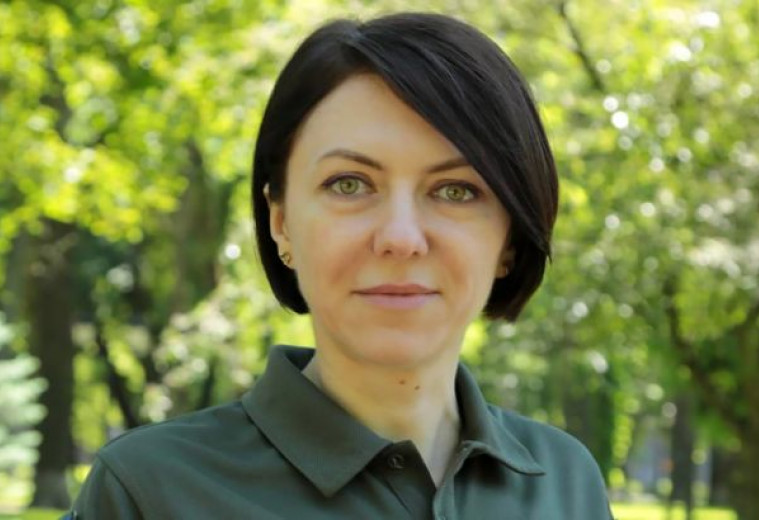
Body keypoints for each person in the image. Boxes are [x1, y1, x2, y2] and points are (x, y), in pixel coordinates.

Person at [67, 12, 613, 519]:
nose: (401, 238)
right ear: (281, 221)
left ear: (510, 238)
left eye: (455, 190)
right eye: (349, 184)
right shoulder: (147, 490)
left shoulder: (566, 482)